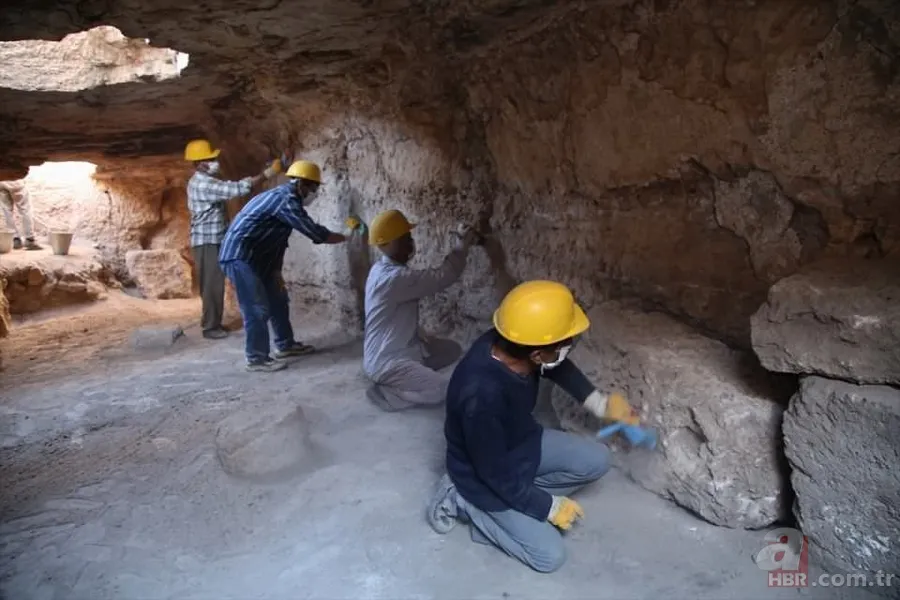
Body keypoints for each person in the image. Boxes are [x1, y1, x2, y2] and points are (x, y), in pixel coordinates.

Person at [426, 280, 641, 573]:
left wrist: (598, 403)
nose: (570, 346)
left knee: (597, 460)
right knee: (549, 556)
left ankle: (518, 498)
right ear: (537, 354)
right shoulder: (480, 395)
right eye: (565, 344)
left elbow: (558, 365)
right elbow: (492, 470)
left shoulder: (514, 343)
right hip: (480, 475)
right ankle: (464, 502)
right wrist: (546, 506)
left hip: (519, 443)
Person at [218, 159, 354, 372]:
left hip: (259, 258)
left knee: (278, 299)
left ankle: (286, 345)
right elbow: (314, 232)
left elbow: (277, 241)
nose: (315, 192)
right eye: (313, 187)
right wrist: (346, 236)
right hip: (239, 257)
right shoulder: (285, 201)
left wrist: (275, 272)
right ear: (301, 184)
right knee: (256, 307)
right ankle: (257, 358)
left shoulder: (286, 199)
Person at [362, 209, 479, 411]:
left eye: (409, 236)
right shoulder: (394, 279)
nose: (410, 242)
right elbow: (443, 276)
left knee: (452, 351)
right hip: (388, 362)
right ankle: (390, 394)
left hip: (397, 350)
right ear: (386, 244)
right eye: (404, 238)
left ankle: (410, 376)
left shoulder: (380, 269)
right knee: (443, 390)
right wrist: (461, 247)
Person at [184, 139, 285, 340]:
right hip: (207, 241)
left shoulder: (205, 180)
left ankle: (212, 322)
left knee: (214, 282)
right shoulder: (203, 183)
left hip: (212, 238)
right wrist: (269, 173)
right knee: (212, 284)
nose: (215, 161)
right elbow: (237, 188)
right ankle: (211, 327)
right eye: (210, 159)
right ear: (198, 163)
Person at [0, 179, 42, 250]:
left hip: (1, 180)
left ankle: (15, 239)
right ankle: (30, 239)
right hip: (15, 179)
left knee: (7, 211)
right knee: (25, 209)